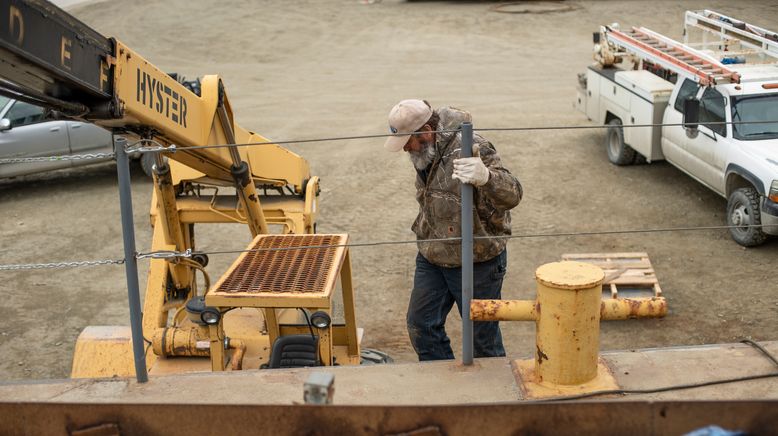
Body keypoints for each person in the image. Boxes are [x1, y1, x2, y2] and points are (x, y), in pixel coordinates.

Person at [384, 99, 523, 361]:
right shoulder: (424, 152)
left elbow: (513, 194)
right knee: (421, 325)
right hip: (433, 254)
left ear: (425, 130)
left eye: (407, 143)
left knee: (483, 341)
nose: (405, 150)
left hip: (477, 259)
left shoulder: (473, 146)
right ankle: (445, 384)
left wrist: (487, 178)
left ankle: (491, 398)